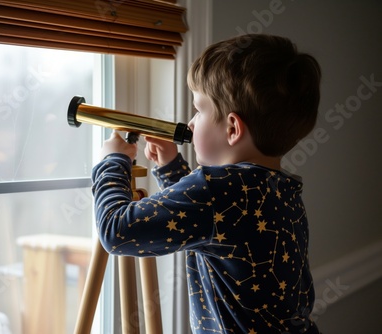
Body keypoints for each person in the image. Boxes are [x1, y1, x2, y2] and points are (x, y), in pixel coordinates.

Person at [91, 34, 321, 333]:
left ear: (233, 128)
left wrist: (112, 163)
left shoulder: (216, 189)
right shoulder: (281, 188)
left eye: (199, 110)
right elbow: (213, 221)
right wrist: (171, 167)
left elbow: (116, 231)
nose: (190, 124)